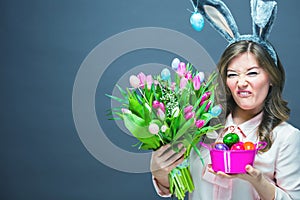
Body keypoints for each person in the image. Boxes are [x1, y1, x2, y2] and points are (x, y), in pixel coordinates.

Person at [150, 40, 300, 199]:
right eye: (232, 74)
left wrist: (258, 181)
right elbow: (177, 183)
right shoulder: (200, 124)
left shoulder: (287, 138)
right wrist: (160, 173)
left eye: (252, 73)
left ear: (271, 78)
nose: (241, 83)